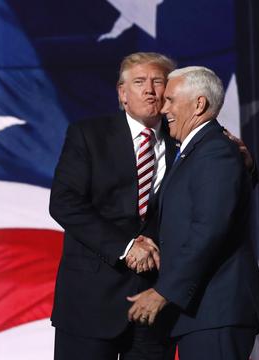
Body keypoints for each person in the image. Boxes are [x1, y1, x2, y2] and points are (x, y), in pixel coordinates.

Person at [127, 66, 259, 359]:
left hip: (217, 308)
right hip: (204, 311)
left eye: (170, 100)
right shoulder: (195, 151)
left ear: (199, 104)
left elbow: (209, 230)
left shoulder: (215, 151)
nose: (163, 108)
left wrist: (163, 292)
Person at [49, 52, 178, 360]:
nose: (149, 90)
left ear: (170, 92)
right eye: (139, 82)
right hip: (90, 301)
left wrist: (248, 164)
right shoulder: (88, 135)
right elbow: (64, 203)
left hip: (156, 303)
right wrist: (126, 246)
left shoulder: (184, 144)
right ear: (122, 94)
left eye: (157, 81)